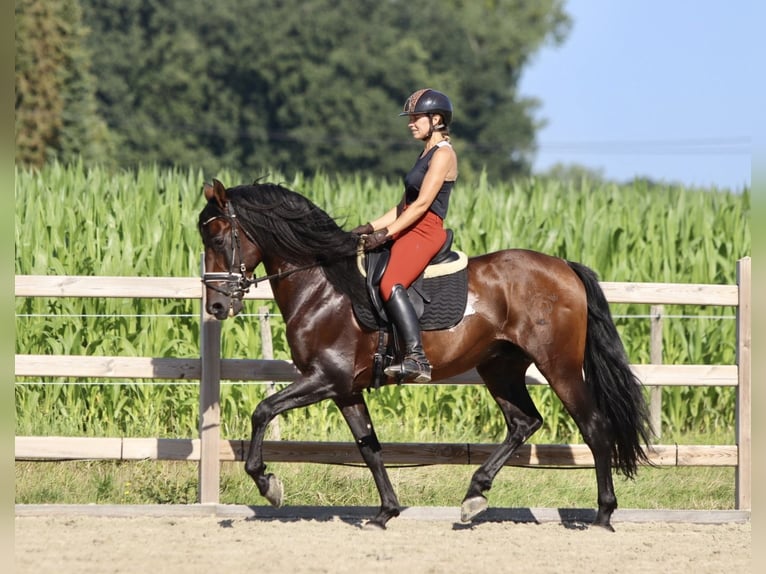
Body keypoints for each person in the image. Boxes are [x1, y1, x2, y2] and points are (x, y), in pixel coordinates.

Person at [352, 88, 458, 383]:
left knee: (391, 281)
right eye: (409, 118)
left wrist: (387, 234)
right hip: (410, 223)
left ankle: (416, 358)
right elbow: (404, 206)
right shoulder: (424, 152)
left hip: (426, 229)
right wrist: (369, 227)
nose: (410, 123)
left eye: (415, 118)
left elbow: (423, 204)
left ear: (436, 119)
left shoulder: (444, 154)